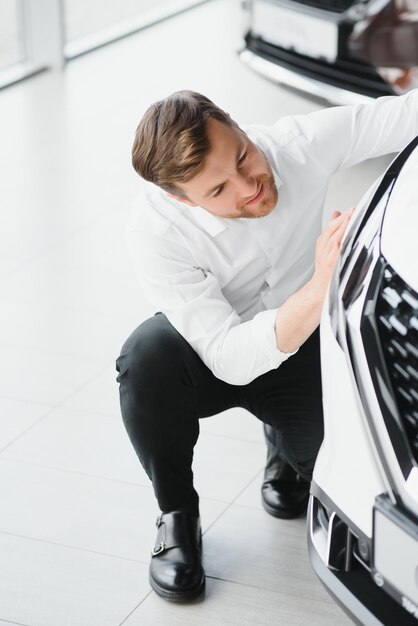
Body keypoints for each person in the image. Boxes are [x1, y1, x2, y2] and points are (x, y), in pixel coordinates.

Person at [115, 88, 418, 602]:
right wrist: (323, 281)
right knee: (147, 358)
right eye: (218, 191)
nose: (249, 185)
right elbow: (231, 358)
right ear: (182, 200)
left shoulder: (297, 144)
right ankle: (176, 519)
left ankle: (281, 440)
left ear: (235, 123)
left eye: (242, 156)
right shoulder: (153, 232)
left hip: (303, 347)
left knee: (349, 477)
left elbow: (403, 115)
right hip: (212, 356)